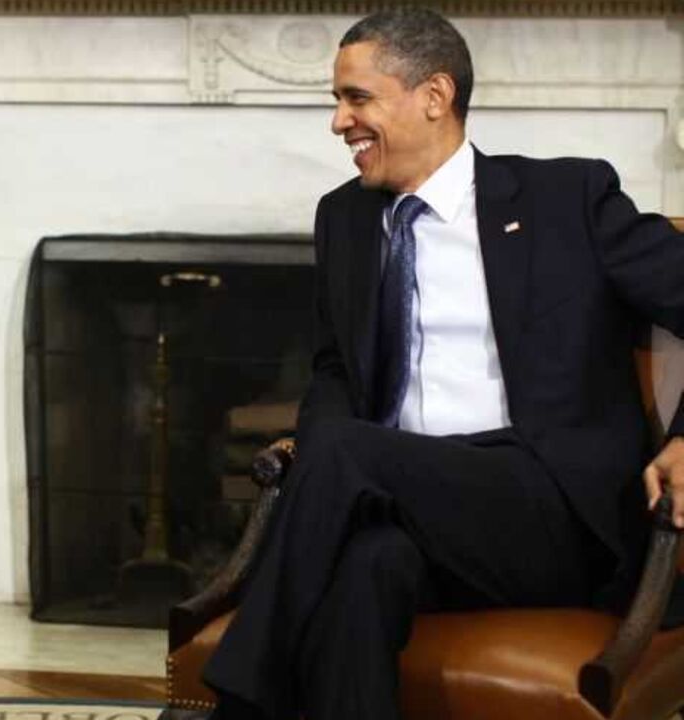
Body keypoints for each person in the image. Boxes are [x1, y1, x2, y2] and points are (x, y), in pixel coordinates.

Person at [203, 7, 684, 720]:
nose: (339, 122)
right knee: (365, 571)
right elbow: (336, 371)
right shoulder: (346, 218)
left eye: (356, 98)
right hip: (407, 508)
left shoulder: (566, 200)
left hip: (551, 512)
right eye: (337, 101)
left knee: (340, 452)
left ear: (434, 96)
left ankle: (237, 694)